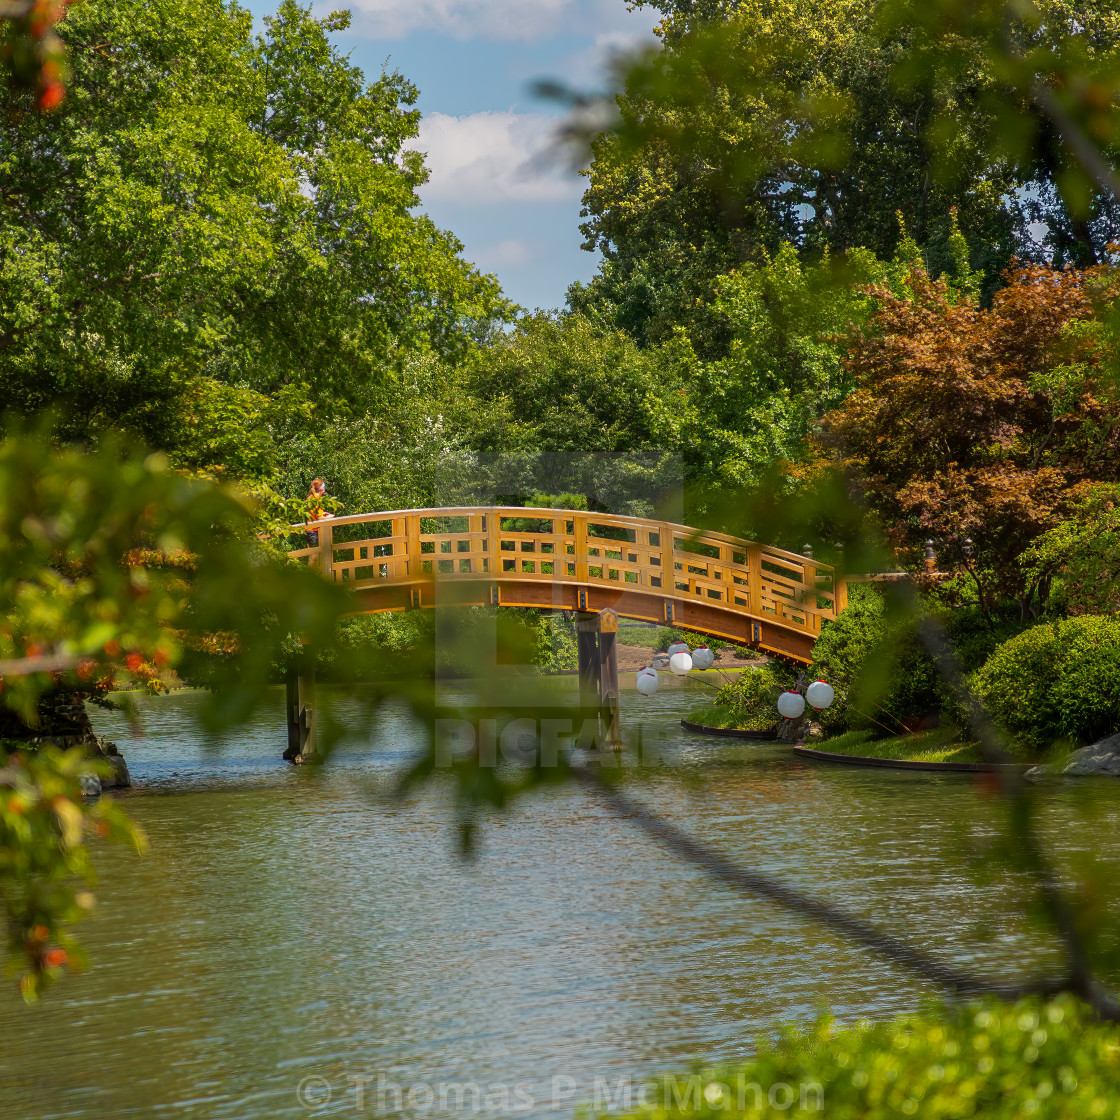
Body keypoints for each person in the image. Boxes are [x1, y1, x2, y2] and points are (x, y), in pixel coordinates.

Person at [305, 478, 330, 547]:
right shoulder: (317, 500)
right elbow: (319, 518)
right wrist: (328, 517)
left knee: (314, 555)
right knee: (314, 556)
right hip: (314, 531)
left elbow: (312, 513)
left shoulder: (310, 498)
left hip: (308, 530)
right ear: (322, 489)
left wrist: (323, 513)